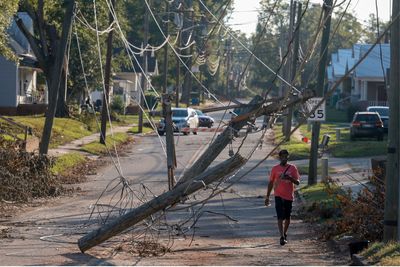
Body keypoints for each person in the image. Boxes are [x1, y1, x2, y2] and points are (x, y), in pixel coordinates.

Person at [265, 149, 300, 246]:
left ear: (288, 157)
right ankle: (281, 236)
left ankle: (285, 233)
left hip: (289, 195)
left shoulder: (292, 168)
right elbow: (271, 182)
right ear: (280, 157)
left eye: (286, 156)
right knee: (280, 216)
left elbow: (297, 182)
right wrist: (267, 196)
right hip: (278, 195)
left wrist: (289, 178)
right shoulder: (275, 169)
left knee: (287, 217)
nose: (284, 158)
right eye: (283, 157)